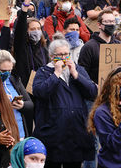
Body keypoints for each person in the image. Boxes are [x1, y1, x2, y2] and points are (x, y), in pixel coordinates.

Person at [33, 39, 97, 168]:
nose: (64, 58)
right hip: (52, 134)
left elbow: (92, 92)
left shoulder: (78, 69)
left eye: (66, 54)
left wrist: (75, 74)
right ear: (52, 56)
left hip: (76, 133)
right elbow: (40, 92)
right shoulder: (44, 72)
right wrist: (56, 74)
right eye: (60, 55)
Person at [0, 49, 34, 138]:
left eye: (10, 71)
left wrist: (22, 105)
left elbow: (30, 104)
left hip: (20, 133)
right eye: (3, 71)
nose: (7, 74)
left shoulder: (14, 80)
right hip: (2, 135)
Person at [13, 0, 49, 86]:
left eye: (38, 28)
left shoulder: (44, 48)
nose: (36, 31)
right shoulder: (22, 46)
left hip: (42, 86)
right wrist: (24, 8)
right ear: (26, 31)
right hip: (25, 87)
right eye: (32, 29)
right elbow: (20, 29)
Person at [79, 9, 119, 84]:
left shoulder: (119, 45)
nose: (111, 24)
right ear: (99, 25)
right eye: (107, 22)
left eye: (113, 21)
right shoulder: (89, 47)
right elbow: (83, 73)